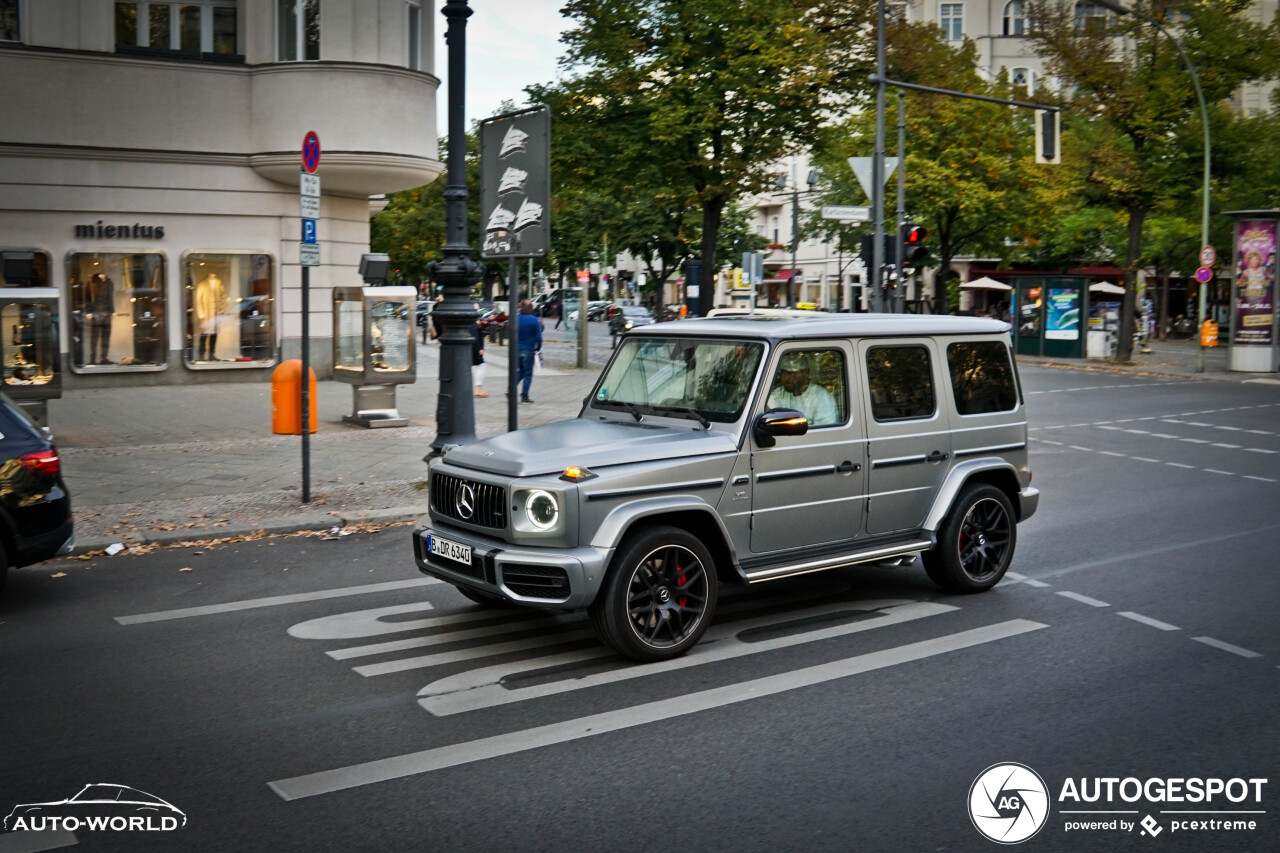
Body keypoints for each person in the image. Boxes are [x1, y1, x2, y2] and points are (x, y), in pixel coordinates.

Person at [766, 351, 839, 426]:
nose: (785, 378)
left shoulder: (821, 397)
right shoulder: (780, 393)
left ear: (806, 373)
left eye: (791, 373)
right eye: (783, 373)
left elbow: (824, 433)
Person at [515, 298, 542, 403]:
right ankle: (524, 396)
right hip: (529, 349)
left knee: (520, 371)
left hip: (517, 349)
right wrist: (538, 348)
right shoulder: (535, 320)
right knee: (527, 374)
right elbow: (539, 337)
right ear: (531, 308)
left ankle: (510, 389)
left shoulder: (516, 318)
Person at [471, 305, 488, 397]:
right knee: (481, 366)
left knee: (479, 366)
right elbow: (475, 337)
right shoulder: (473, 323)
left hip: (473, 347)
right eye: (477, 309)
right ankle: (478, 389)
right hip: (475, 348)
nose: (478, 311)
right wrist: (479, 349)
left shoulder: (474, 321)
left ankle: (478, 389)